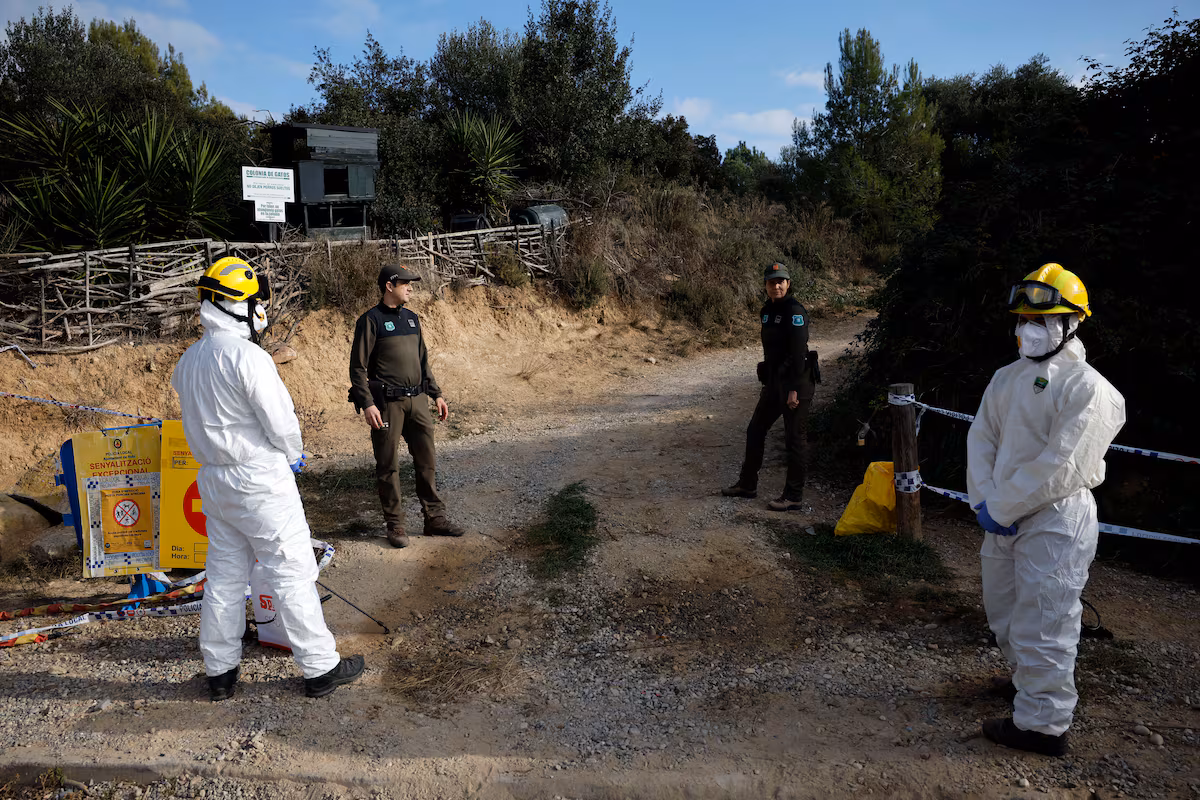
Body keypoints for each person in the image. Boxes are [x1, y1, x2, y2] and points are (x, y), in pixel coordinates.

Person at [172, 257, 364, 701]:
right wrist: (294, 454)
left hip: (214, 481)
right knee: (291, 570)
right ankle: (320, 667)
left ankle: (220, 672)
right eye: (256, 300)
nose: (261, 308)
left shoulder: (189, 360)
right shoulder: (248, 357)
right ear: (237, 303)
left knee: (224, 578)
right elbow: (280, 421)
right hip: (258, 478)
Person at [967, 263, 1126, 756]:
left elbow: (1066, 463)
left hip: (1056, 519)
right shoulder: (1007, 378)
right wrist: (985, 499)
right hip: (1001, 515)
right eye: (1023, 320)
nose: (1028, 329)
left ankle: (1043, 725)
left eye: (1041, 320)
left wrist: (1002, 504)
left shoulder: (1090, 389)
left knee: (1045, 621)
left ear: (1071, 323)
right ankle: (1027, 686)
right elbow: (982, 438)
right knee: (1005, 612)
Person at [350, 264, 465, 548]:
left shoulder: (412, 319)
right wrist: (367, 403)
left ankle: (434, 519)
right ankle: (396, 525)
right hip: (388, 404)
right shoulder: (371, 320)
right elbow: (358, 368)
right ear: (389, 286)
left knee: (427, 461)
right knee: (388, 465)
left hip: (418, 401)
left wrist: (436, 394)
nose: (411, 288)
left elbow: (423, 361)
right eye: (405, 283)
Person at [723, 262, 818, 510]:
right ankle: (747, 485)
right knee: (755, 430)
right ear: (765, 285)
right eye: (771, 282)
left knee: (794, 439)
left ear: (788, 284)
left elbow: (798, 353)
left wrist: (793, 390)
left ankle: (793, 496)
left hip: (796, 383)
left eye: (780, 281)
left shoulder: (794, 311)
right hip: (775, 383)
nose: (776, 286)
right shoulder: (767, 311)